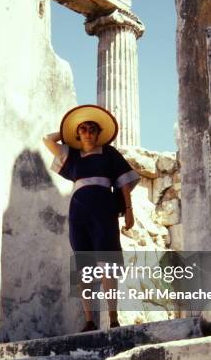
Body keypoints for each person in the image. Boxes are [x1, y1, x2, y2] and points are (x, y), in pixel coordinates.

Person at [42, 104, 140, 332]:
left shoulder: (109, 153)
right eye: (83, 129)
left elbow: (124, 182)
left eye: (92, 129)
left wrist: (128, 209)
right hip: (78, 211)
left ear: (98, 133)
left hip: (103, 209)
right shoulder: (72, 155)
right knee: (83, 263)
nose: (88, 132)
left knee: (107, 262)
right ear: (78, 133)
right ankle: (88, 320)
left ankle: (113, 317)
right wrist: (67, 134)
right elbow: (47, 140)